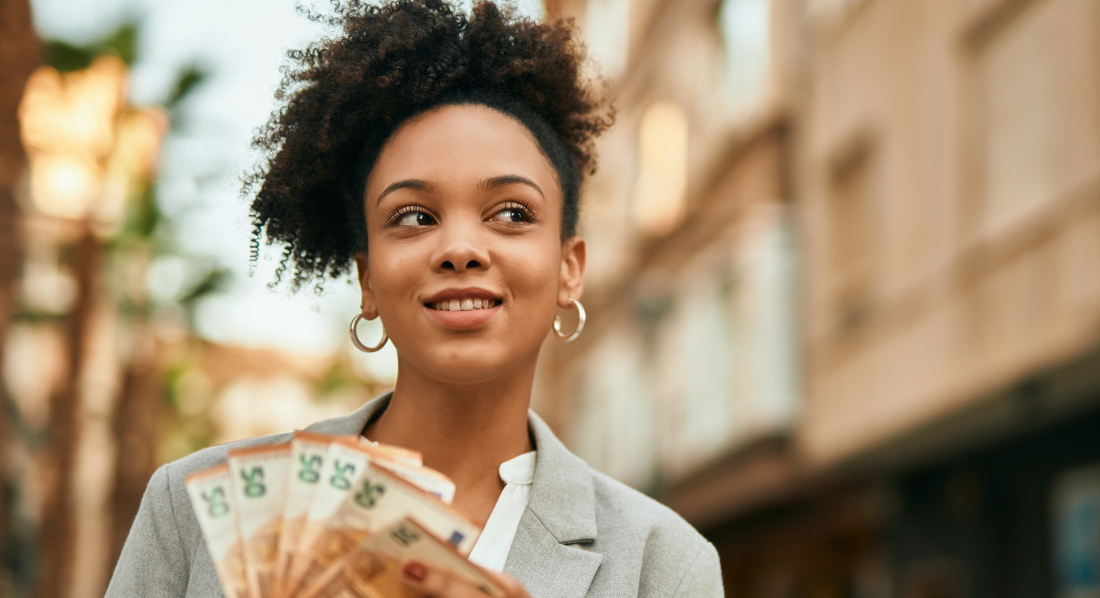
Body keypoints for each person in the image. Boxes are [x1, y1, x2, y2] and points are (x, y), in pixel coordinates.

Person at [106, 1, 723, 596]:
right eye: (413, 216)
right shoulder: (190, 507)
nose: (460, 248)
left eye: (511, 213)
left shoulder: (664, 562)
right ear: (368, 279)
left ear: (569, 269)